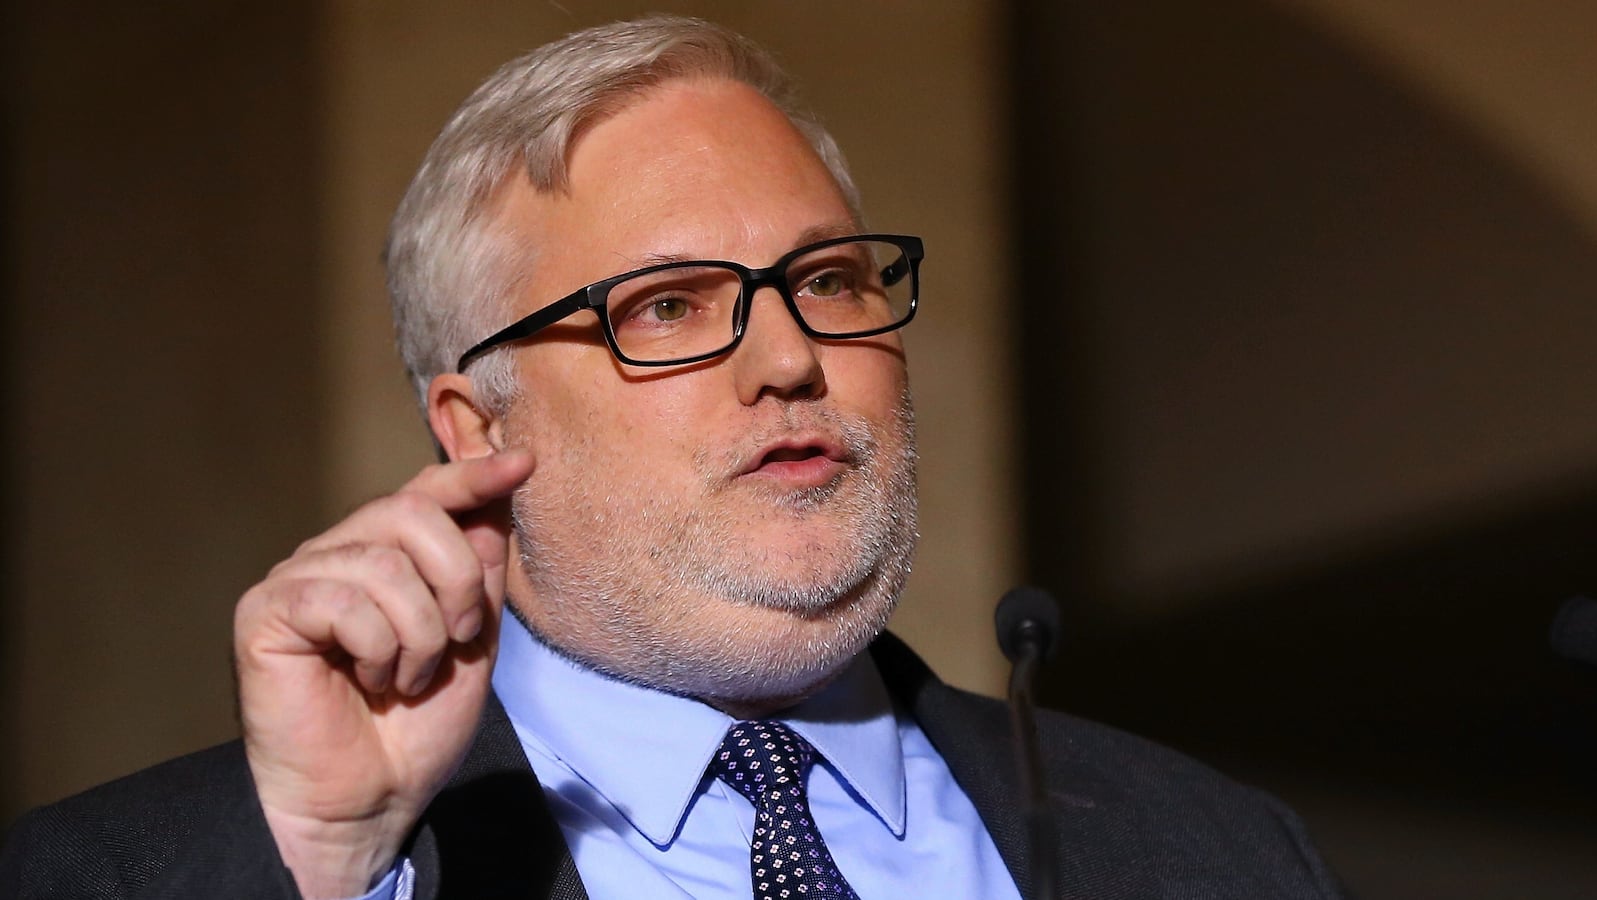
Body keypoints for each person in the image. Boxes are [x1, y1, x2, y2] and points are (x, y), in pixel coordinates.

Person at [0, 15, 1346, 900]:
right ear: (481, 434)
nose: (787, 359)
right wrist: (321, 862)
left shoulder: (1218, 852)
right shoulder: (127, 873)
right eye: (666, 308)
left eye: (827, 279)